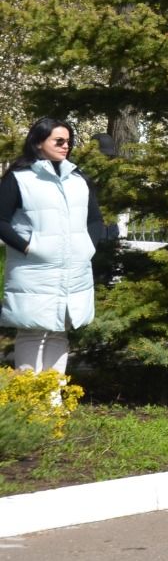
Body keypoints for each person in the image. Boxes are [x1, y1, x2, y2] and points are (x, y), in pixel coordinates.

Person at [0, 118, 104, 375]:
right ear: (37, 143)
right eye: (59, 140)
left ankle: (53, 399)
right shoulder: (19, 178)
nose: (65, 145)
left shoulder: (78, 179)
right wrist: (29, 248)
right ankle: (29, 400)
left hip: (73, 269)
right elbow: (0, 220)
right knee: (32, 332)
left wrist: (87, 247)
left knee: (60, 332)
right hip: (33, 269)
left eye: (68, 141)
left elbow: (95, 220)